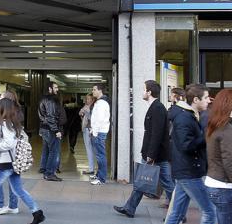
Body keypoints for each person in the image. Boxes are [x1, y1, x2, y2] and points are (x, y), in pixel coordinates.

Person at [114, 80, 174, 218]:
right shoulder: (155, 107)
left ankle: (179, 213)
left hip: (156, 155)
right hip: (153, 153)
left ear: (149, 92)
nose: (142, 92)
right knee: (141, 180)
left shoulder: (157, 108)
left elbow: (156, 133)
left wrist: (151, 155)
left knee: (167, 185)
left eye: (144, 89)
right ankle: (130, 208)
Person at [0, 97, 45, 224]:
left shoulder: (5, 124)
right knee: (18, 190)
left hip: (5, 163)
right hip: (14, 163)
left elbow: (8, 144)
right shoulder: (14, 123)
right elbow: (21, 139)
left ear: (3, 108)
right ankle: (37, 213)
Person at [165, 84, 216, 224]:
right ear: (195, 100)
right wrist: (206, 137)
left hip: (187, 170)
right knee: (210, 211)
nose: (208, 101)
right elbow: (185, 146)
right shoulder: (184, 118)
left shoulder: (190, 115)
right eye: (205, 98)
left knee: (176, 214)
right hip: (189, 172)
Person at [205, 88, 232, 224]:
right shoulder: (227, 130)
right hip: (224, 188)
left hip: (215, 183)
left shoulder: (215, 125)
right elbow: (230, 163)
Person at [0, 90, 20, 216]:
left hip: (6, 154)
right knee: (13, 182)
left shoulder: (9, 117)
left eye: (1, 99)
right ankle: (13, 206)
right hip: (9, 155)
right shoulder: (13, 113)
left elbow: (8, 141)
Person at [38, 81, 63, 182]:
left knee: (48, 150)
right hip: (50, 129)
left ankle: (46, 172)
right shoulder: (51, 100)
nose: (57, 89)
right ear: (50, 89)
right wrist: (56, 130)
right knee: (54, 152)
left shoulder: (43, 99)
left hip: (44, 128)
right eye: (55, 88)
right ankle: (49, 173)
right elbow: (51, 116)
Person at [90, 83, 110, 185]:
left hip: (99, 132)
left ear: (100, 90)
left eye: (94, 89)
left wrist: (95, 132)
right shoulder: (99, 102)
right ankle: (99, 175)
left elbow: (100, 119)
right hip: (98, 131)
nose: (92, 91)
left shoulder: (102, 103)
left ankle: (101, 178)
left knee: (100, 156)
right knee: (99, 155)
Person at [79, 94, 96, 175]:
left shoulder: (93, 107)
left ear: (92, 100)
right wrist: (82, 113)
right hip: (86, 129)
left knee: (90, 149)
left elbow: (92, 118)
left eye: (89, 99)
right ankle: (91, 168)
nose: (87, 100)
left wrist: (86, 112)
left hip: (89, 129)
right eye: (86, 99)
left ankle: (91, 168)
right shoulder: (86, 106)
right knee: (90, 149)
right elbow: (80, 113)